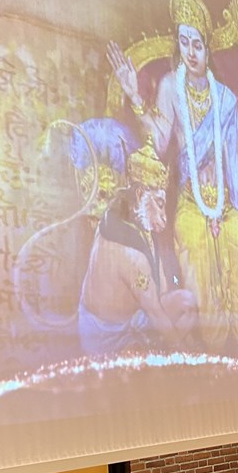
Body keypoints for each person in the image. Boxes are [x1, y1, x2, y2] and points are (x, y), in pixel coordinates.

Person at [108, 0, 238, 351]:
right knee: (193, 242)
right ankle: (214, 346)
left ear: (207, 49)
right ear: (178, 46)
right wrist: (135, 97)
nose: (191, 52)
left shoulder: (225, 98)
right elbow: (160, 139)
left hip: (226, 203)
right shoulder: (170, 88)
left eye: (197, 44)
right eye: (184, 42)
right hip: (192, 201)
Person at [78, 139, 196, 354]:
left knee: (187, 303)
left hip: (135, 319)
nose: (164, 217)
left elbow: (164, 287)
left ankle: (163, 351)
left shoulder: (138, 223)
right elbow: (155, 313)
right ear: (140, 195)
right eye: (159, 204)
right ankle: (171, 356)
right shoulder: (129, 252)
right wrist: (185, 354)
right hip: (108, 335)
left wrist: (176, 282)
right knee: (162, 347)